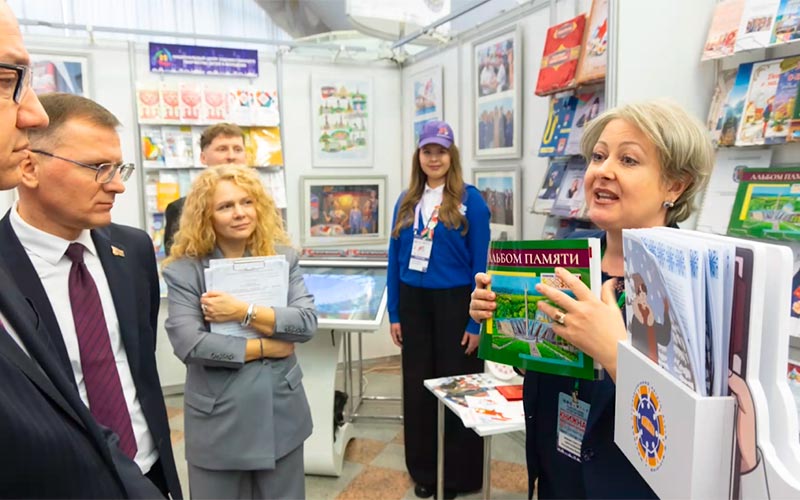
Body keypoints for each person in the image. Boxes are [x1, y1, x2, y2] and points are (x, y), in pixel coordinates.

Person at [469, 100, 713, 499]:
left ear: (675, 185)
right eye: (598, 156)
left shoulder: (693, 285)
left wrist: (616, 355)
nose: (603, 170)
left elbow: (695, 433)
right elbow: (541, 361)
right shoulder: (571, 258)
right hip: (556, 472)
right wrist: (500, 317)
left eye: (628, 160)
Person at [0, 5, 163, 495]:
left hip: (148, 467)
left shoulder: (133, 250)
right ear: (30, 168)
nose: (116, 185)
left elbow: (141, 365)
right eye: (98, 168)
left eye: (119, 168)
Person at [162, 165, 317, 499]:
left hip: (281, 413)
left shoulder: (283, 258)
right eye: (225, 206)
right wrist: (265, 348)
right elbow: (190, 344)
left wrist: (242, 312)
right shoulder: (185, 271)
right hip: (219, 419)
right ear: (206, 216)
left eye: (247, 202)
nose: (240, 213)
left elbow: (305, 322)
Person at [387, 120, 491, 498]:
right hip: (413, 303)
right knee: (418, 390)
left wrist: (475, 324)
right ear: (419, 155)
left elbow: (481, 266)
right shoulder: (406, 201)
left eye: (441, 151)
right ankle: (425, 472)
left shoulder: (471, 201)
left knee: (458, 389)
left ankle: (459, 476)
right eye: (427, 151)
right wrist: (395, 313)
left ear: (452, 155)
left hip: (455, 304)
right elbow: (393, 259)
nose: (434, 158)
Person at [164, 122, 247, 254]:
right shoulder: (181, 208)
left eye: (238, 149)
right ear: (203, 157)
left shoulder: (262, 204)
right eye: (222, 149)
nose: (231, 156)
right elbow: (177, 258)